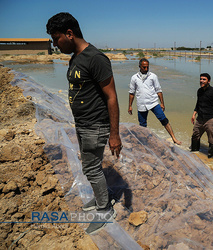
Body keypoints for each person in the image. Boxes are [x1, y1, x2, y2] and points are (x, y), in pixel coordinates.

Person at [46, 12, 122, 234]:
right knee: (90, 166)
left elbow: (112, 97)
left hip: (95, 124)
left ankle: (105, 209)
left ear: (69, 34)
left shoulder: (95, 58)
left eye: (56, 39)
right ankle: (102, 199)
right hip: (83, 124)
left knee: (91, 167)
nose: (55, 44)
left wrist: (114, 134)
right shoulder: (76, 57)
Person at [128, 58, 181, 145]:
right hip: (141, 104)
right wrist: (130, 106)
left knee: (164, 120)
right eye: (144, 67)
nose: (146, 69)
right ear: (139, 66)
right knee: (142, 125)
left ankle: (174, 138)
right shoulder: (134, 78)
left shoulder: (153, 76)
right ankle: (143, 142)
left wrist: (162, 103)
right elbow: (131, 93)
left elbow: (158, 90)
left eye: (147, 67)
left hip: (153, 102)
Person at [191, 73, 213, 158]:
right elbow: (198, 103)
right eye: (201, 79)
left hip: (210, 119)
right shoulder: (199, 91)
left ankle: (210, 158)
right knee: (195, 136)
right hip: (200, 119)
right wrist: (194, 114)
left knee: (211, 139)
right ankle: (194, 154)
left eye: (204, 79)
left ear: (208, 81)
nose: (201, 81)